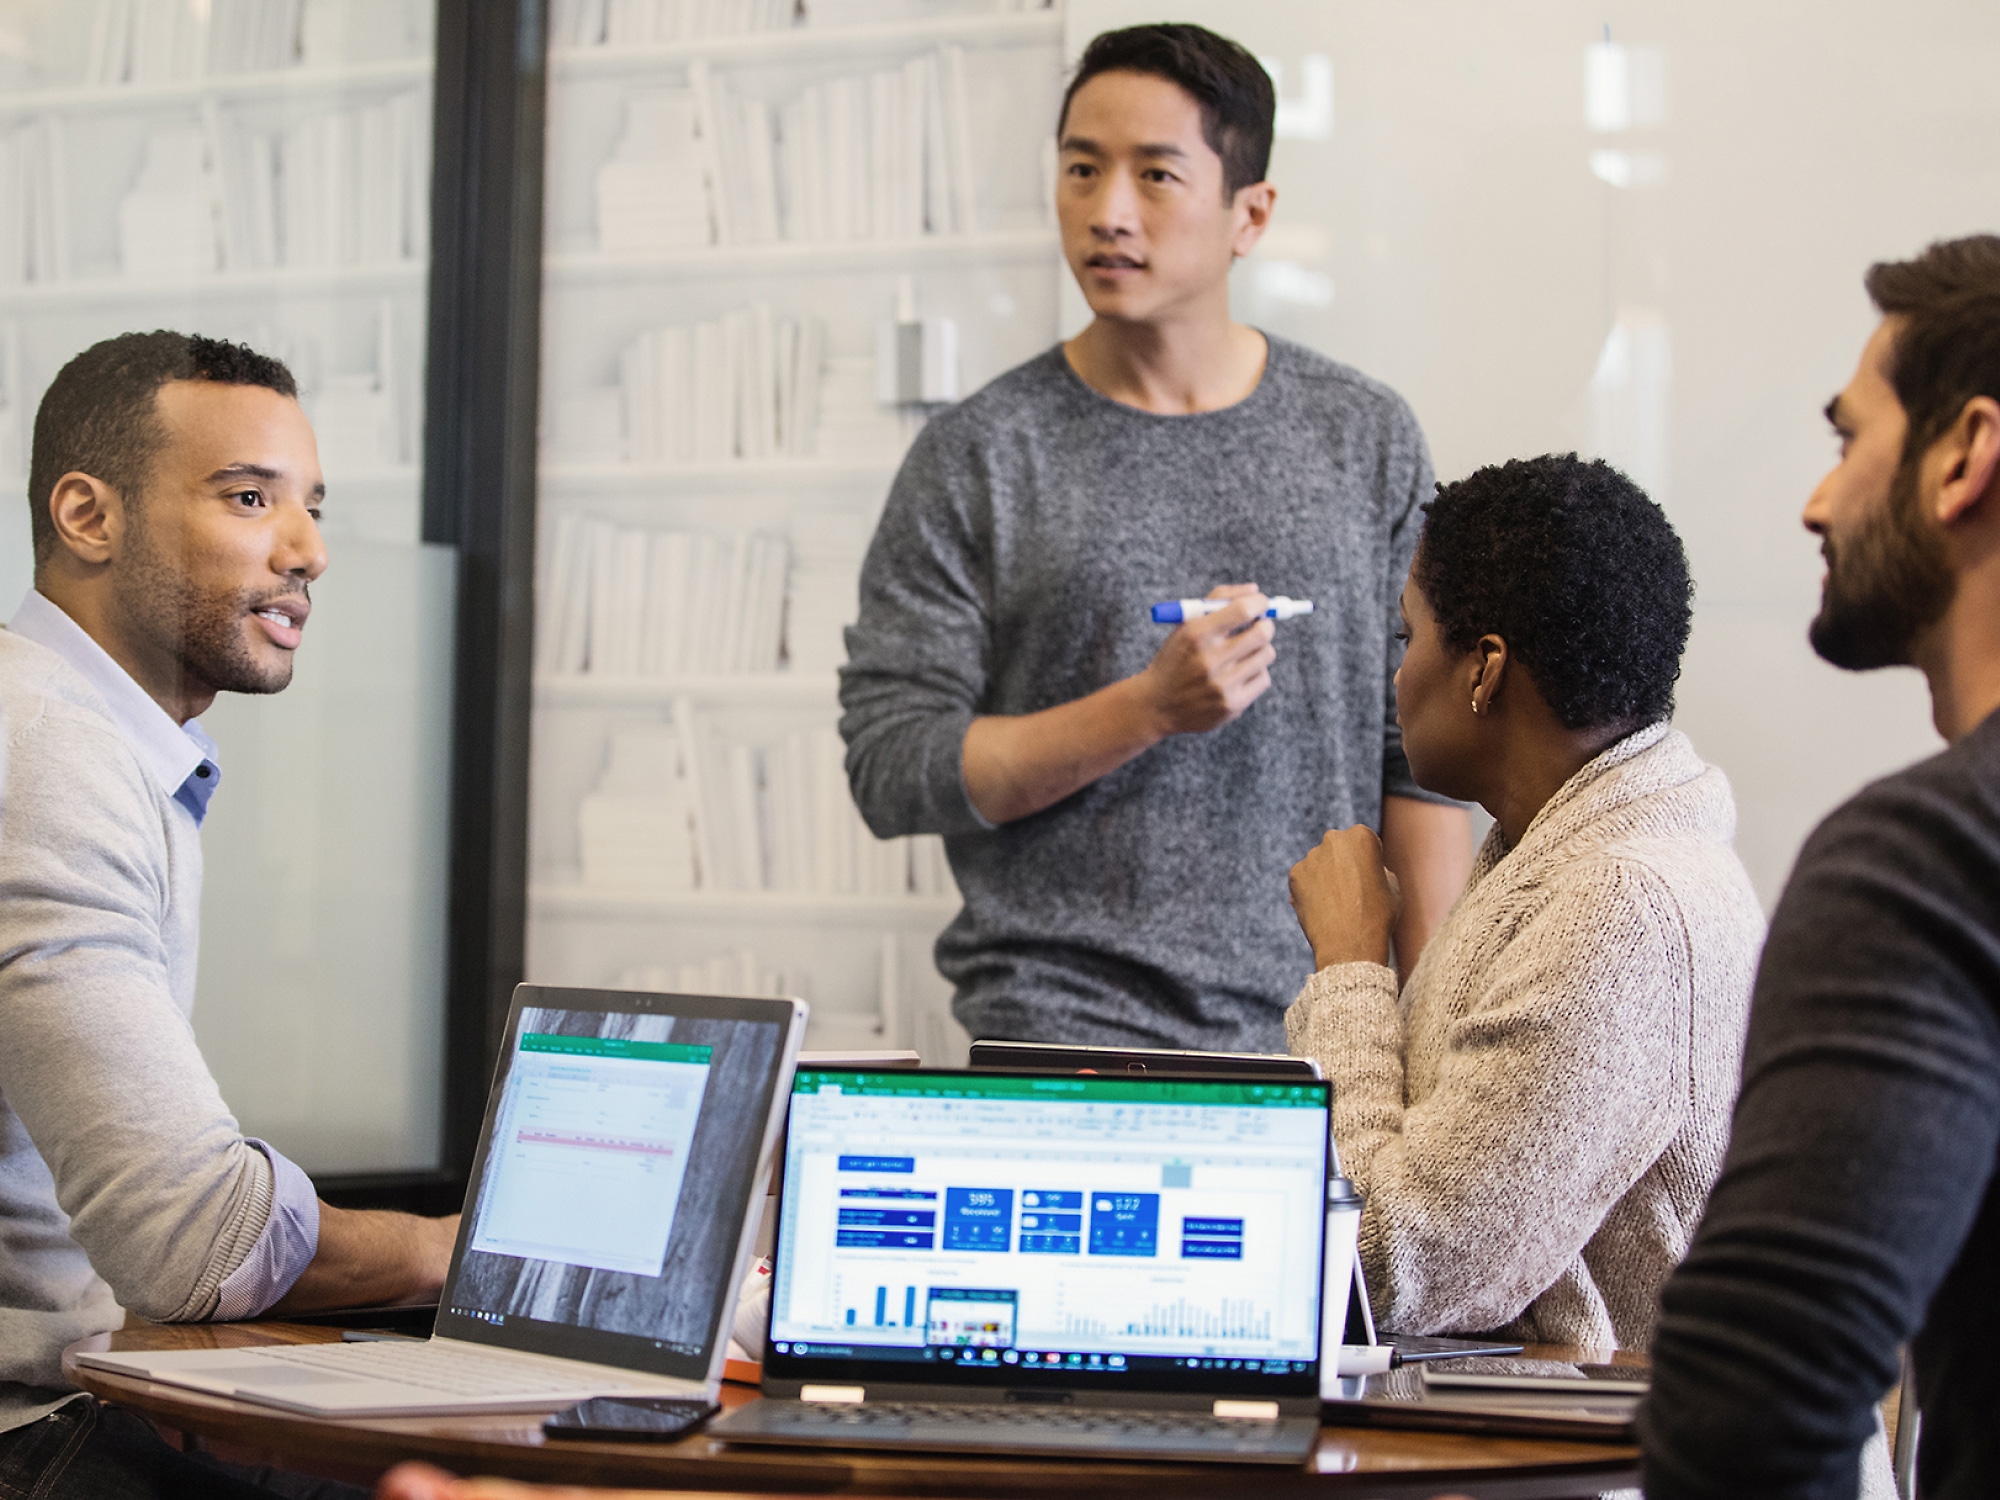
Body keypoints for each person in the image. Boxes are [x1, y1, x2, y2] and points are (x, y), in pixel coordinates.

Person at [838, 22, 1472, 1052]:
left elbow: (1423, 755)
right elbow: (892, 765)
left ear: (1248, 214)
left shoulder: (1361, 436)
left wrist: (1420, 1037)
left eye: (1155, 176)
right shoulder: (980, 455)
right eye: (1080, 170)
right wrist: (1143, 709)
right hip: (1053, 1030)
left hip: (1318, 1037)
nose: (1106, 212)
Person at [0, 332, 458, 1498]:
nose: (307, 551)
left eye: (310, 505)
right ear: (86, 517)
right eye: (249, 498)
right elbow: (191, 1236)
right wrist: (470, 1254)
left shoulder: (86, 735)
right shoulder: (49, 757)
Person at [1639, 237, 2000, 1500]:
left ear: (1962, 457)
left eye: (1850, 439)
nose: (1815, 500)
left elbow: (1752, 1410)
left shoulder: (1927, 860)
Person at [1283, 454, 1764, 1351]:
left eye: (1407, 639)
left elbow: (1387, 1265)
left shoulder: (1623, 910)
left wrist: (1350, 967)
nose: (1396, 679)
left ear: (1484, 671)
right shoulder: (1557, 855)